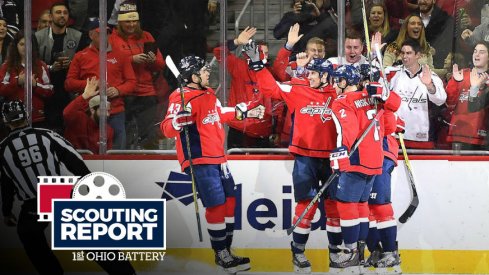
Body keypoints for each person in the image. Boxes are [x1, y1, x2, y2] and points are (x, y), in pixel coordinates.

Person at [0, 100, 136, 275]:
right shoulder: (46, 135)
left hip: (33, 203)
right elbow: (73, 161)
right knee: (88, 236)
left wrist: (6, 211)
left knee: (28, 234)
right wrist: (89, 185)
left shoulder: (3, 148)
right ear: (26, 116)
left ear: (6, 121)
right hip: (57, 192)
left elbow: (6, 182)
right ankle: (125, 272)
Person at [160, 55, 264, 273]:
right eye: (204, 71)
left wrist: (245, 111)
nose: (208, 73)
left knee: (230, 201)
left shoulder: (207, 94)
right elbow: (166, 127)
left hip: (219, 158)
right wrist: (178, 121)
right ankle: (220, 253)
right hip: (200, 159)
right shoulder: (179, 97)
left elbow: (218, 114)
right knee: (216, 205)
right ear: (193, 75)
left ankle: (226, 249)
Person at [244, 40, 337, 273]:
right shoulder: (298, 88)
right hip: (305, 159)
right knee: (305, 205)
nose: (310, 75)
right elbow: (270, 88)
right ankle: (298, 252)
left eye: (314, 73)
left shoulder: (338, 94)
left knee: (335, 206)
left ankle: (336, 254)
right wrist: (257, 64)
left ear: (326, 76)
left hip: (332, 159)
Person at [328, 64, 401, 272]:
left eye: (337, 80)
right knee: (361, 206)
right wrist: (384, 93)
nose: (334, 84)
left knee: (347, 204)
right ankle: (359, 253)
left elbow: (346, 130)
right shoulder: (373, 98)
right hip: (375, 161)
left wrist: (341, 153)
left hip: (356, 160)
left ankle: (351, 253)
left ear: (343, 82)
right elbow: (390, 127)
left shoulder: (343, 100)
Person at [65, 17, 136, 149]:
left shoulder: (121, 55)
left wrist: (118, 90)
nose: (104, 37)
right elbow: (69, 83)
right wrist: (90, 85)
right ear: (91, 35)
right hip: (89, 113)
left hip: (115, 111)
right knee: (89, 151)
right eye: (99, 34)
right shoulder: (80, 56)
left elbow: (131, 82)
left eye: (107, 33)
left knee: (117, 154)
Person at [213, 26, 284, 148]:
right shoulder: (239, 67)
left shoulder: (270, 73)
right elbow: (218, 52)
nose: (264, 56)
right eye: (260, 52)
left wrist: (277, 131)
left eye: (266, 53)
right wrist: (236, 42)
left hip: (263, 132)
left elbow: (278, 106)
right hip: (239, 130)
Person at [110, 0, 166, 149]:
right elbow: (109, 63)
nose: (132, 24)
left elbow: (161, 64)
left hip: (147, 92)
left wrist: (152, 60)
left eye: (134, 21)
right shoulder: (112, 39)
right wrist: (131, 60)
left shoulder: (147, 36)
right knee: (125, 134)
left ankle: (149, 163)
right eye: (128, 21)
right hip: (124, 94)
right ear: (120, 22)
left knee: (148, 135)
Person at [389, 39, 446, 149]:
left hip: (422, 138)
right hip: (397, 137)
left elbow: (441, 100)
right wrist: (373, 53)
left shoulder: (430, 75)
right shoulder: (393, 75)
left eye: (409, 53)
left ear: (418, 55)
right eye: (403, 53)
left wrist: (429, 85)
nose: (405, 56)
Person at [35, 2, 82, 133]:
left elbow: (83, 61)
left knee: (69, 127)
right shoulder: (38, 37)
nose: (62, 16)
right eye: (58, 12)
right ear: (51, 16)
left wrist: (72, 64)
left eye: (65, 13)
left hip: (69, 90)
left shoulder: (78, 36)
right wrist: (50, 67)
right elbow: (34, 63)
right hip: (46, 89)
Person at [0, 31, 54, 129]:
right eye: (21, 44)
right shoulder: (7, 66)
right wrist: (17, 82)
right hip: (14, 119)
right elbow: (1, 89)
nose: (25, 47)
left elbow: (50, 90)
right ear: (15, 46)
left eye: (28, 44)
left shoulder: (40, 65)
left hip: (37, 117)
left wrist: (35, 84)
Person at [445, 42, 489, 150]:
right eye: (475, 51)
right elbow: (449, 103)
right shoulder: (461, 74)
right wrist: (455, 81)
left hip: (482, 137)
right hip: (459, 134)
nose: (476, 55)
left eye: (481, 52)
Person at [63, 77, 114, 153]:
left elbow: (107, 157)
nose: (107, 114)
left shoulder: (108, 130)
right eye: (103, 111)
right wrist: (84, 96)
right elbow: (66, 114)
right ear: (92, 110)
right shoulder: (79, 118)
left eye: (108, 111)